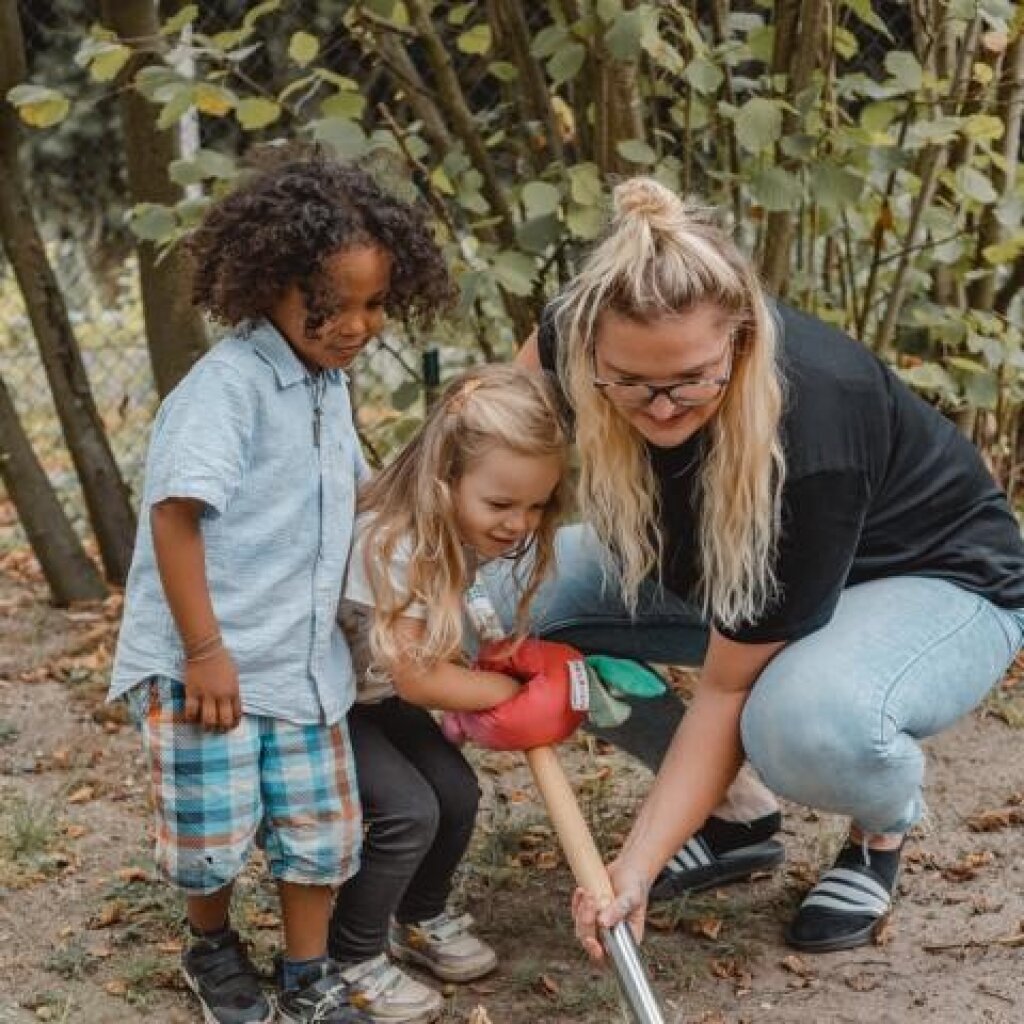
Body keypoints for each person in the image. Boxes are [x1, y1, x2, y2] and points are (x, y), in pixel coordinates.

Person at [498, 176, 1024, 956]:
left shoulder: (809, 432)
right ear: (588, 345)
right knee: (496, 598)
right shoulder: (568, 337)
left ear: (743, 337)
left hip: (932, 581)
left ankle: (880, 832)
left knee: (797, 720)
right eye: (631, 384)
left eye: (690, 381)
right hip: (721, 571)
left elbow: (725, 688)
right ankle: (736, 817)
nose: (664, 408)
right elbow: (485, 447)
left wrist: (634, 868)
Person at [108, 149, 454, 1024]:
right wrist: (204, 652)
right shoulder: (226, 389)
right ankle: (213, 948)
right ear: (267, 281)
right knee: (210, 835)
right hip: (211, 670)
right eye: (333, 304)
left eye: (375, 304)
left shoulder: (325, 386)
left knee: (319, 833)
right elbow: (175, 516)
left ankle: (307, 977)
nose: (357, 325)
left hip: (302, 672)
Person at [328, 364, 576, 1024]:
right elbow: (417, 676)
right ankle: (347, 958)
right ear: (445, 482)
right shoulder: (400, 538)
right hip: (325, 701)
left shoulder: (459, 530)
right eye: (501, 505)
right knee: (408, 811)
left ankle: (418, 916)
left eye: (536, 505)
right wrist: (507, 690)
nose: (520, 523)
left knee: (457, 794)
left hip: (375, 694)